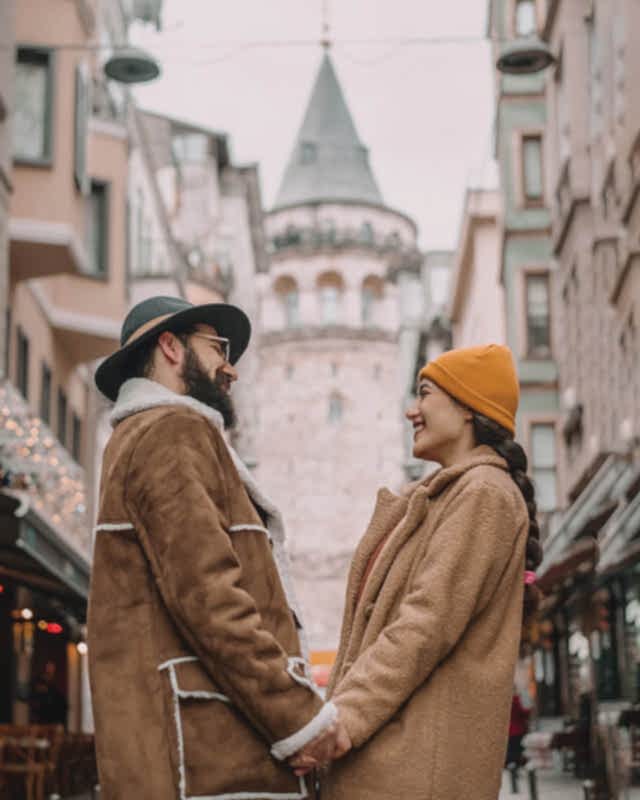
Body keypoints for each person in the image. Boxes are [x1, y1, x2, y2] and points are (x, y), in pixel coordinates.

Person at [88, 296, 346, 800]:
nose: (231, 369)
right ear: (170, 346)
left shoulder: (147, 436)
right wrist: (300, 718)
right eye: (217, 348)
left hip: (194, 749)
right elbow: (210, 598)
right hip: (206, 760)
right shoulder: (170, 431)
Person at [292, 344, 542, 799]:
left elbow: (424, 625)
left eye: (424, 394)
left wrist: (345, 719)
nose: (412, 411)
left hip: (412, 775)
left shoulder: (484, 494)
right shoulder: (441, 497)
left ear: (468, 407)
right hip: (392, 767)